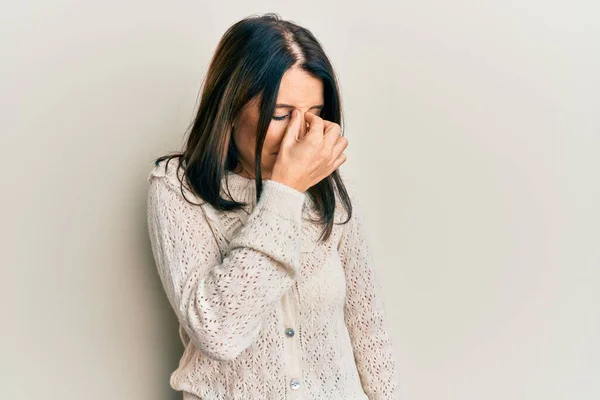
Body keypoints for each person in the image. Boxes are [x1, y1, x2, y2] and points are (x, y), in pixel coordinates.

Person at [146, 13, 400, 400]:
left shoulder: (329, 189)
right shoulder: (177, 189)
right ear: (230, 106)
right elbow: (218, 330)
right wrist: (285, 190)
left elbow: (368, 324)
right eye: (281, 114)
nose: (301, 133)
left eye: (314, 115)